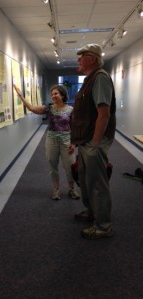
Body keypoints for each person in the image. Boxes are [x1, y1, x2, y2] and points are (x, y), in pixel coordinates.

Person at [71, 44, 116, 239]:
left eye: (82, 56)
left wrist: (96, 143)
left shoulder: (99, 78)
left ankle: (103, 225)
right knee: (85, 180)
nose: (79, 60)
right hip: (85, 139)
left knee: (97, 183)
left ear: (92, 58)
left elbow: (104, 114)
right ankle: (92, 213)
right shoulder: (90, 79)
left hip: (93, 141)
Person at [13, 84, 80, 201]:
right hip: (51, 141)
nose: (53, 96)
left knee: (69, 167)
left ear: (63, 95)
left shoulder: (70, 110)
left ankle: (72, 189)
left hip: (66, 141)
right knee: (52, 166)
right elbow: (31, 108)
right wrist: (20, 96)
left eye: (56, 94)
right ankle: (56, 190)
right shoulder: (49, 108)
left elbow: (74, 127)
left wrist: (73, 143)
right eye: (52, 94)